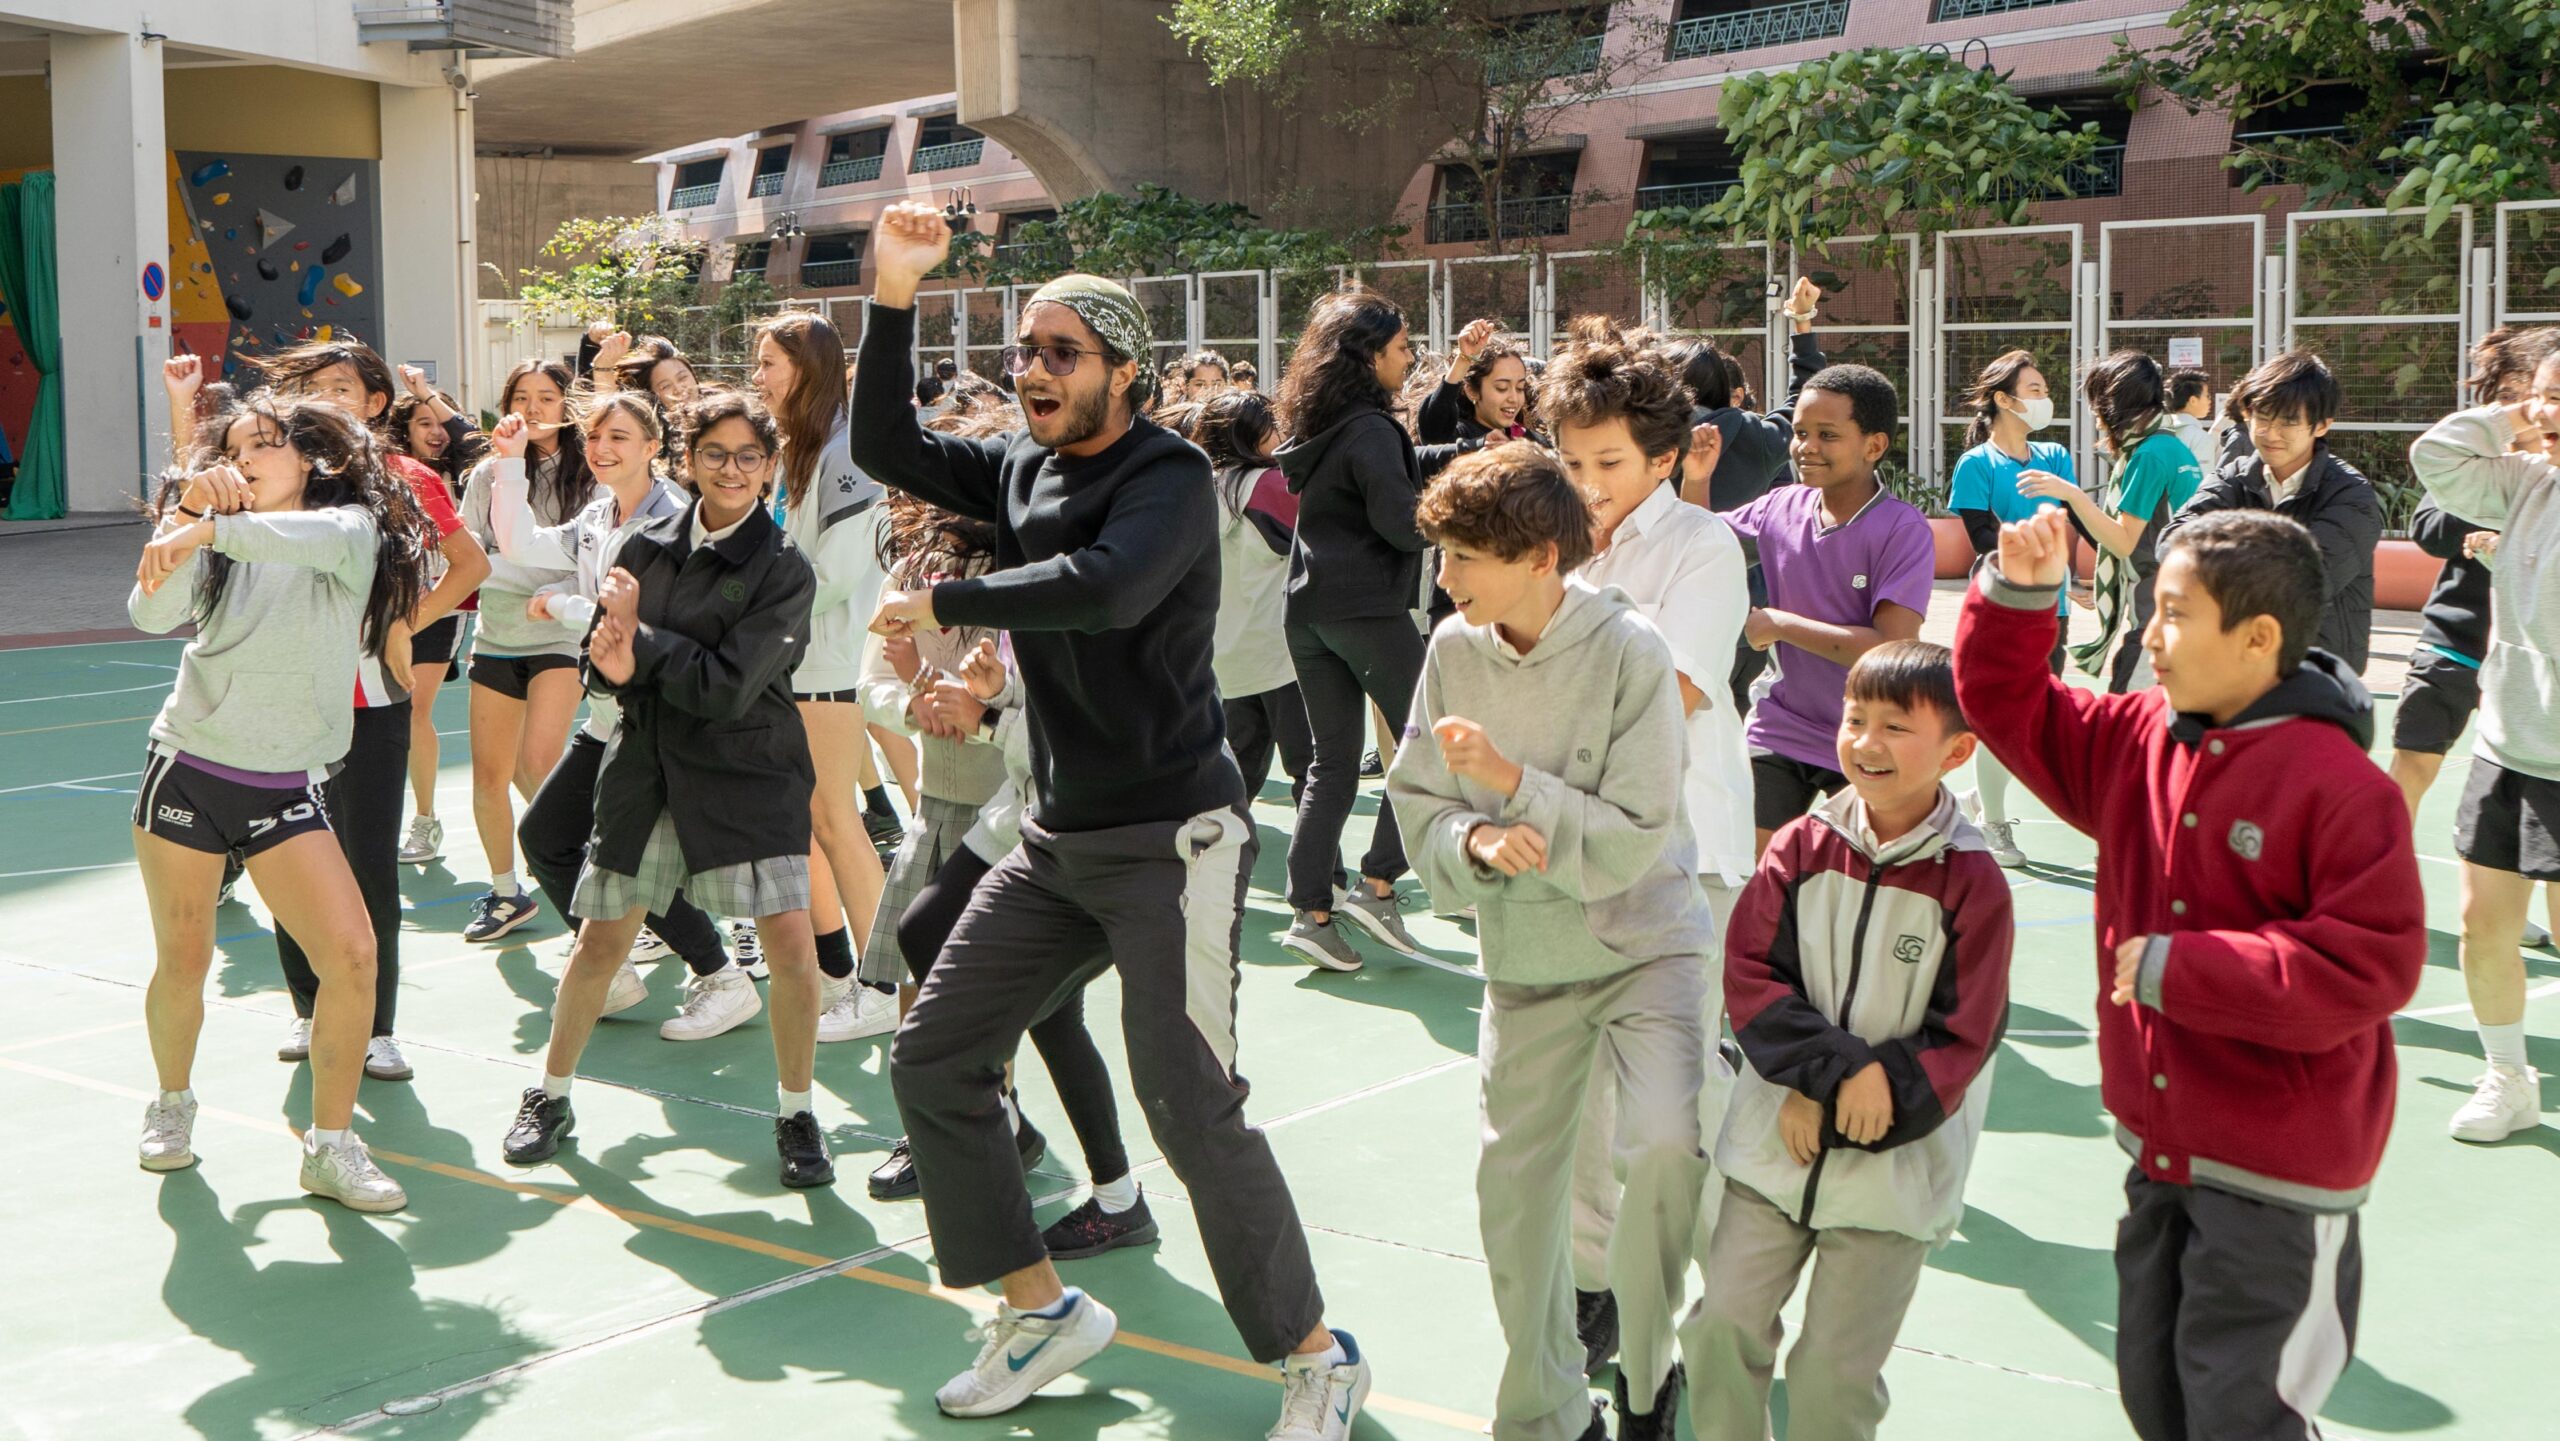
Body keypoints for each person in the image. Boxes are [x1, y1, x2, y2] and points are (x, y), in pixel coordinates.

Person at [849, 201, 1369, 1439]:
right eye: (1025, 351)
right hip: (1056, 840)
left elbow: (1106, 588)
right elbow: (880, 439)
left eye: (1061, 353)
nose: (1033, 372)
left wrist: (946, 602)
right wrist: (889, 290)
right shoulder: (1019, 462)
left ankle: (1317, 1354)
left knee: (1188, 1103)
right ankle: (1039, 1309)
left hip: (1173, 842)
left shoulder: (1169, 478)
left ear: (1123, 375)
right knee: (931, 1056)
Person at [1955, 506, 2425, 1441]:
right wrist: (2020, 600)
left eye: (2173, 615)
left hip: (2280, 1180)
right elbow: (2014, 708)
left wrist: (2184, 968)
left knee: (2243, 1412)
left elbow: (2367, 964)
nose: (2150, 638)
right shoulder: (2138, 737)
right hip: (2161, 1149)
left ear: (2258, 639)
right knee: (2160, 1397)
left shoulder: (2341, 787)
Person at [1388, 443, 1713, 1441]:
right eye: (1440, 555)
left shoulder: (1631, 650)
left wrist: (1512, 783)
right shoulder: (1451, 650)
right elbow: (1417, 803)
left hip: (1647, 951)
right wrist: (1476, 838)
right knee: (1513, 1202)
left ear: (1536, 557)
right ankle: (1544, 1414)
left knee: (1662, 1147)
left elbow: (1633, 833)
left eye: (1460, 558)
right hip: (1526, 964)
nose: (1442, 579)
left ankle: (1651, 1378)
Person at [498, 391, 840, 1190]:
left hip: (750, 773)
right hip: (647, 767)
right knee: (599, 943)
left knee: (791, 949)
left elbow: (727, 688)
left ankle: (797, 1111)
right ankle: (549, 1095)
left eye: (748, 456)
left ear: (769, 467)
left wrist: (638, 647)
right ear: (687, 459)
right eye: (715, 453)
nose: (731, 469)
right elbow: (602, 653)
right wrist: (606, 656)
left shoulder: (785, 568)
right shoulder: (644, 542)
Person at [1687, 641, 2012, 1441]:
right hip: (1774, 1149)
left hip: (1892, 1175)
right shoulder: (1799, 845)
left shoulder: (1973, 882)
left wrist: (1835, 1102)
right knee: (1720, 1328)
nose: (1866, 742)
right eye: (1855, 718)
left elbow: (1963, 1035)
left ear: (1957, 750)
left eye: (1896, 726)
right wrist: (1821, 1078)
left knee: (1833, 1377)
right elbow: (1753, 977)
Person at [128, 392, 433, 1212]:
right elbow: (149, 612)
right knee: (185, 957)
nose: (247, 460)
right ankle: (172, 1103)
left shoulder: (346, 533)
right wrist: (190, 519)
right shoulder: (216, 538)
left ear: (311, 459)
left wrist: (204, 523)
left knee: (353, 954)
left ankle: (330, 1147)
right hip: (190, 765)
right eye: (234, 449)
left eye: (265, 445)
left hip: (284, 784)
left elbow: (302, 536)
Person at [1540, 316, 1753, 1380]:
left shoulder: (1701, 547)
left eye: (1609, 463)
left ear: (1666, 457)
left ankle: (1702, 1294)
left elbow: (1672, 691)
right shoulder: (1552, 547)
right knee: (1578, 1097)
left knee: (1672, 1106)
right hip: (1575, 855)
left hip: (1686, 853)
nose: (1586, 482)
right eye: (1570, 462)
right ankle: (1593, 1292)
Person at [200, 342, 491, 1080]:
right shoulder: (287, 479)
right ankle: (308, 1010)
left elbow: (472, 566)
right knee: (287, 863)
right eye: (312, 388)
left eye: (341, 387)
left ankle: (375, 1026)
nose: (326, 399)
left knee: (368, 866)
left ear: (375, 403)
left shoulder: (406, 478)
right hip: (290, 699)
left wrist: (403, 620)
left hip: (371, 703)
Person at [493, 396, 745, 1036]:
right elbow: (519, 545)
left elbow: (640, 627)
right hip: (610, 717)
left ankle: (722, 977)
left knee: (629, 858)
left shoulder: (674, 521)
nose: (603, 448)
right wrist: (511, 463)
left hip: (658, 718)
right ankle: (625, 971)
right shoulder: (599, 512)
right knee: (551, 839)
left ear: (654, 446)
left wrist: (560, 608)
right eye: (596, 436)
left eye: (620, 437)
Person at [1272, 289, 1477, 971]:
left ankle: (1311, 911)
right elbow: (1399, 521)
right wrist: (1469, 506)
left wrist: (1456, 453)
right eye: (1400, 347)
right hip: (1366, 608)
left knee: (1332, 761)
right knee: (1430, 741)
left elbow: (1379, 478)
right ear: (1368, 356)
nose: (1410, 356)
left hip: (1308, 609)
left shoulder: (1327, 424)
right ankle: (1380, 883)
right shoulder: (1370, 426)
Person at [2409, 349, 2560, 1142]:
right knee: (2483, 927)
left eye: (2559, 398)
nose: (2548, 411)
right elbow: (2433, 457)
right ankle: (2508, 1076)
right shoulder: (2524, 482)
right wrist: (2514, 417)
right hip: (2507, 743)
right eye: (2542, 396)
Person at [752, 311, 900, 1035]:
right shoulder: (805, 446)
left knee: (840, 823)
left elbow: (835, 575)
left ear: (807, 368)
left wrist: (747, 592)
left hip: (829, 660)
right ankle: (865, 978)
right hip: (806, 657)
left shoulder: (843, 453)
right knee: (825, 820)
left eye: (769, 363)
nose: (759, 377)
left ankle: (880, 987)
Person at [1721, 364, 1934, 855]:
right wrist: (1696, 478)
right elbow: (1701, 543)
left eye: (1827, 435)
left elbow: (1891, 649)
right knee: (1758, 874)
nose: (1805, 446)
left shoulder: (1903, 530)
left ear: (1874, 446)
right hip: (1780, 726)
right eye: (1799, 432)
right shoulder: (1781, 506)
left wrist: (1780, 624)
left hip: (1870, 738)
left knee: (1861, 879)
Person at [2391, 329, 2556, 942]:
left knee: (2532, 792)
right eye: (2534, 393)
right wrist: (2491, 524)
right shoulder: (2496, 463)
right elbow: (2428, 524)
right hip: (2456, 636)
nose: (2543, 410)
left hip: (2531, 672)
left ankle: (2521, 909)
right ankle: (2374, 885)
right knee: (2413, 762)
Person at [457, 360, 601, 941]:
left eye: (548, 396)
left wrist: (507, 562)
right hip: (495, 635)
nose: (536, 407)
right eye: (524, 396)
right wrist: (507, 565)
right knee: (492, 776)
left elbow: (573, 559)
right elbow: (469, 553)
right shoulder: (489, 474)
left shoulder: (589, 473)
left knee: (539, 764)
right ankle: (504, 893)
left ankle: (598, 878)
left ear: (568, 406)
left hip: (559, 637)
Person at [2161, 351, 2382, 676]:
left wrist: (2220, 556)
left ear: (2321, 426)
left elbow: (2307, 580)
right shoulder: (2233, 476)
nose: (2271, 433)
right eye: (2262, 418)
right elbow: (2173, 542)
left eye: (2289, 421)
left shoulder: (2351, 494)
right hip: (2231, 666)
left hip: (2316, 674)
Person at [1947, 348, 2078, 868]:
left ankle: (1975, 801)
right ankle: (1990, 823)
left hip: (2055, 603)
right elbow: (1980, 534)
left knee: (2037, 712)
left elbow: (2074, 521)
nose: (2045, 399)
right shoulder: (1976, 463)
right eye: (2036, 390)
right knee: (1997, 717)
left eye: (2045, 390)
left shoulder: (2056, 457)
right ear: (2004, 400)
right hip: (2002, 604)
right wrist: (2021, 562)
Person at [2015, 351, 2203, 692]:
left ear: (2114, 403)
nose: (2094, 413)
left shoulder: (2148, 455)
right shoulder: (2172, 446)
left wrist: (2071, 494)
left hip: (2159, 619)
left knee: (2125, 726)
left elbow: (2122, 541)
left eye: (2096, 400)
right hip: (2186, 613)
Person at [384, 363, 489, 867]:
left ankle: (424, 821)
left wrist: (430, 397)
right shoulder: (386, 474)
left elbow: (473, 440)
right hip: (386, 603)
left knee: (412, 708)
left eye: (438, 421)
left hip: (445, 604)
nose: (434, 432)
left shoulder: (465, 471)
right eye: (421, 422)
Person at [1194, 389, 1313, 806]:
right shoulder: (1270, 484)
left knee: (1237, 775)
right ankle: (1325, 872)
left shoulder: (1203, 487)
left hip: (1228, 652)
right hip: (1281, 655)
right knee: (1311, 772)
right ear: (1251, 435)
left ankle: (1214, 863)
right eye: (1274, 425)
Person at [1418, 319, 1541, 445]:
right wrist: (1464, 359)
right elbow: (1433, 434)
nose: (1514, 399)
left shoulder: (1533, 441)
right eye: (1502, 388)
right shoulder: (1460, 436)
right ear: (1472, 391)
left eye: (1520, 388)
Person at [2163, 367, 2218, 475]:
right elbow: (2203, 482)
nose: (2209, 401)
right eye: (2207, 396)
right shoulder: (2200, 438)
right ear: (2193, 400)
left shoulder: (2158, 431)